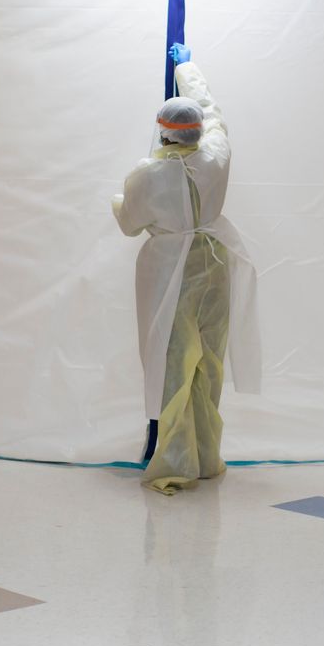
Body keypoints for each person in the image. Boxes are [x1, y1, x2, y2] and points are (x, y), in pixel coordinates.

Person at [112, 44, 259, 494]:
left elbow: (129, 222)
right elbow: (214, 114)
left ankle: (174, 463)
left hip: (169, 272)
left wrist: (117, 202)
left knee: (173, 365)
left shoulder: (148, 175)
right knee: (208, 365)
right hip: (214, 266)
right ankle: (207, 456)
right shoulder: (216, 155)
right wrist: (188, 68)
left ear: (162, 133)